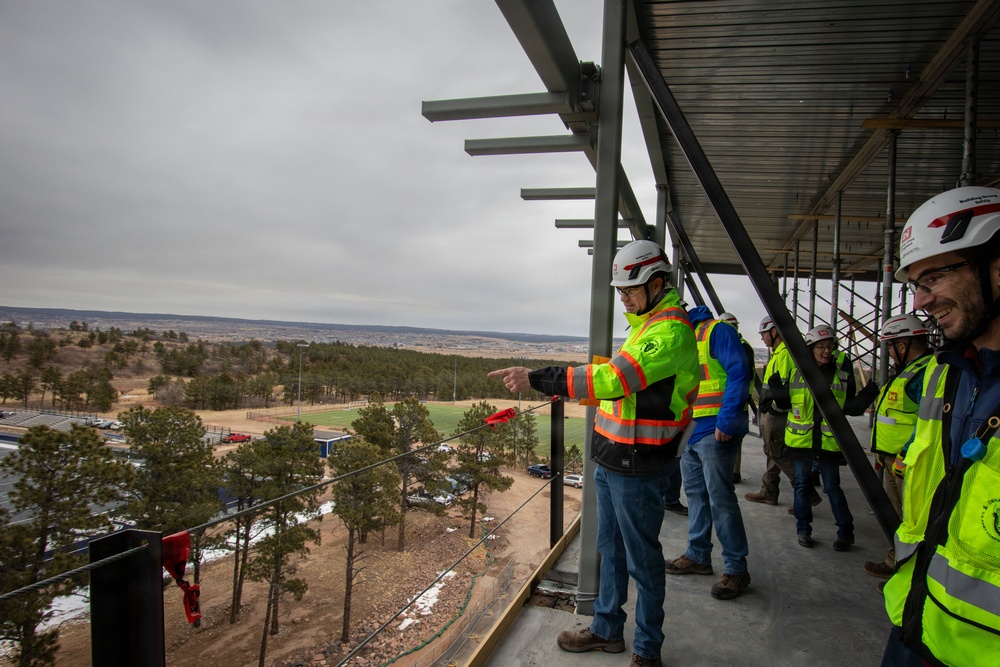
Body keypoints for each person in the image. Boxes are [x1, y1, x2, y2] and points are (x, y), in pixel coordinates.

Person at [488, 239, 699, 667]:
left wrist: (538, 377)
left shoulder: (669, 331)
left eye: (630, 289)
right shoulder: (647, 324)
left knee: (642, 559)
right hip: (612, 459)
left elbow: (613, 380)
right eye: (619, 290)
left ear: (658, 284)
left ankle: (647, 648)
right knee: (611, 550)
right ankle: (606, 630)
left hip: (638, 466)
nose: (623, 297)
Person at [881, 186, 1000, 666]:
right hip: (917, 621)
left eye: (933, 277)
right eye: (914, 283)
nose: (922, 300)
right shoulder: (942, 374)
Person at [665, 305, 752, 599]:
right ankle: (698, 556)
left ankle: (736, 569)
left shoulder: (717, 331)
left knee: (721, 500)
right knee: (697, 497)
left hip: (716, 429)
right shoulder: (683, 338)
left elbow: (739, 374)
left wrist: (727, 420)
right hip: (690, 432)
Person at [769, 326, 877, 549]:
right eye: (820, 347)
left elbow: (849, 407)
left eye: (829, 347)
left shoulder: (843, 377)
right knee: (801, 485)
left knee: (832, 487)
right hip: (802, 442)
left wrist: (865, 399)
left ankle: (846, 533)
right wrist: (777, 393)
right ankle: (803, 530)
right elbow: (785, 405)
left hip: (828, 443)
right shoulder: (797, 374)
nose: (826, 351)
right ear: (810, 349)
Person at [863, 314, 932, 583]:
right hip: (895, 458)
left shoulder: (922, 373)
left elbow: (927, 421)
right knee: (899, 518)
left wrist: (904, 455)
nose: (890, 353)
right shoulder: (910, 371)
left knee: (910, 520)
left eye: (891, 347)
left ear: (902, 345)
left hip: (908, 461)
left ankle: (909, 579)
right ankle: (896, 562)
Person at [745, 316, 822, 509]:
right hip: (771, 411)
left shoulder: (785, 355)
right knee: (773, 452)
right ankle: (769, 491)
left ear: (774, 332)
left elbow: (788, 389)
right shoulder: (779, 354)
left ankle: (807, 495)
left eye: (764, 333)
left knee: (775, 452)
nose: (762, 338)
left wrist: (773, 408)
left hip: (777, 414)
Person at [718, 311, 760, 482]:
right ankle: (732, 472)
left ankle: (732, 472)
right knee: (732, 437)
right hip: (735, 399)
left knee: (733, 437)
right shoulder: (740, 345)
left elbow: (741, 374)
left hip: (738, 399)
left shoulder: (740, 346)